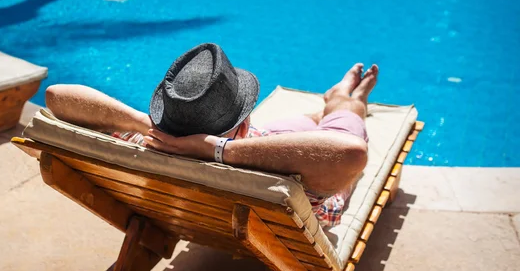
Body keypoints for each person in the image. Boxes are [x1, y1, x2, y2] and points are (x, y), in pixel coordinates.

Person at [45, 43, 378, 227]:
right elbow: (350, 152)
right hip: (317, 191)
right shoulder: (275, 169)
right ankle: (343, 101)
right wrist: (220, 150)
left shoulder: (142, 146)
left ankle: (327, 107)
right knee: (339, 121)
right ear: (245, 124)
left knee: (301, 123)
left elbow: (56, 95)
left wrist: (145, 125)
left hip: (207, 174)